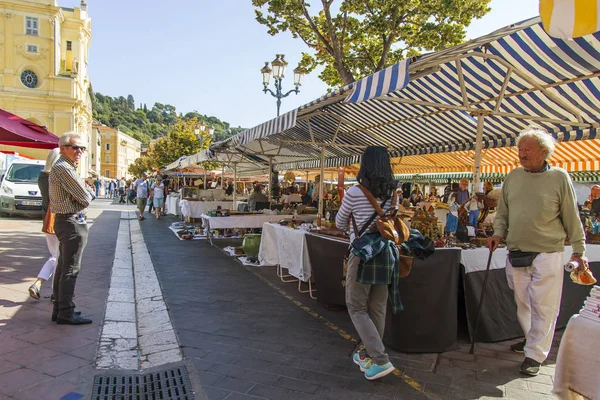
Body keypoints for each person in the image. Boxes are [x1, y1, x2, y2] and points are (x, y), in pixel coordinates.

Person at [488, 127, 586, 376]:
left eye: (528, 149)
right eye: (520, 149)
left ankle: (535, 355)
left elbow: (571, 217)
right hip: (518, 251)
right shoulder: (512, 177)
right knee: (523, 303)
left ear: (544, 152)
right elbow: (503, 213)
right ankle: (531, 340)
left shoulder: (560, 178)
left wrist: (579, 249)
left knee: (544, 306)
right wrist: (498, 233)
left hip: (548, 252)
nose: (522, 153)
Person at [335, 146, 398, 381]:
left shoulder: (355, 192)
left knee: (356, 307)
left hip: (363, 254)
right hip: (386, 253)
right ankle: (368, 354)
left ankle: (380, 360)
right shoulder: (393, 192)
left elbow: (340, 222)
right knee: (377, 308)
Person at [49, 132, 94, 325]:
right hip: (71, 221)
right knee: (70, 268)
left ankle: (60, 309)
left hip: (65, 220)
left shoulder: (64, 167)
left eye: (82, 148)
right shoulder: (64, 169)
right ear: (63, 148)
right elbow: (86, 197)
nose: (80, 152)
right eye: (75, 147)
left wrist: (84, 194)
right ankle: (66, 311)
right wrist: (83, 196)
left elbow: (85, 193)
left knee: (63, 266)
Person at [28, 148, 61, 300]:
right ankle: (51, 290)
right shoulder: (56, 178)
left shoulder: (42, 177)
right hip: (58, 218)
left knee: (55, 255)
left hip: (47, 219)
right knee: (59, 258)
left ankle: (40, 284)